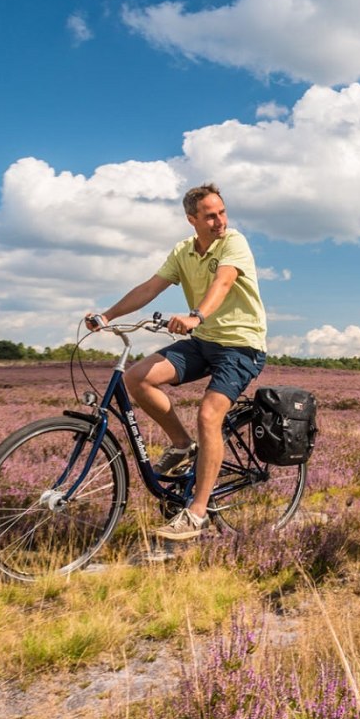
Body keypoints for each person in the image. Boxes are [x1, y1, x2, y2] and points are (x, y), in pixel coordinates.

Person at [85, 182, 267, 542]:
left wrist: (197, 314)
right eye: (210, 216)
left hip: (240, 345)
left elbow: (224, 281)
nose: (220, 221)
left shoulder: (234, 242)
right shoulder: (183, 251)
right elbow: (150, 287)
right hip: (203, 341)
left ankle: (197, 512)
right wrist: (106, 317)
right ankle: (183, 445)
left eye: (222, 212)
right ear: (192, 219)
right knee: (137, 378)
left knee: (209, 415)